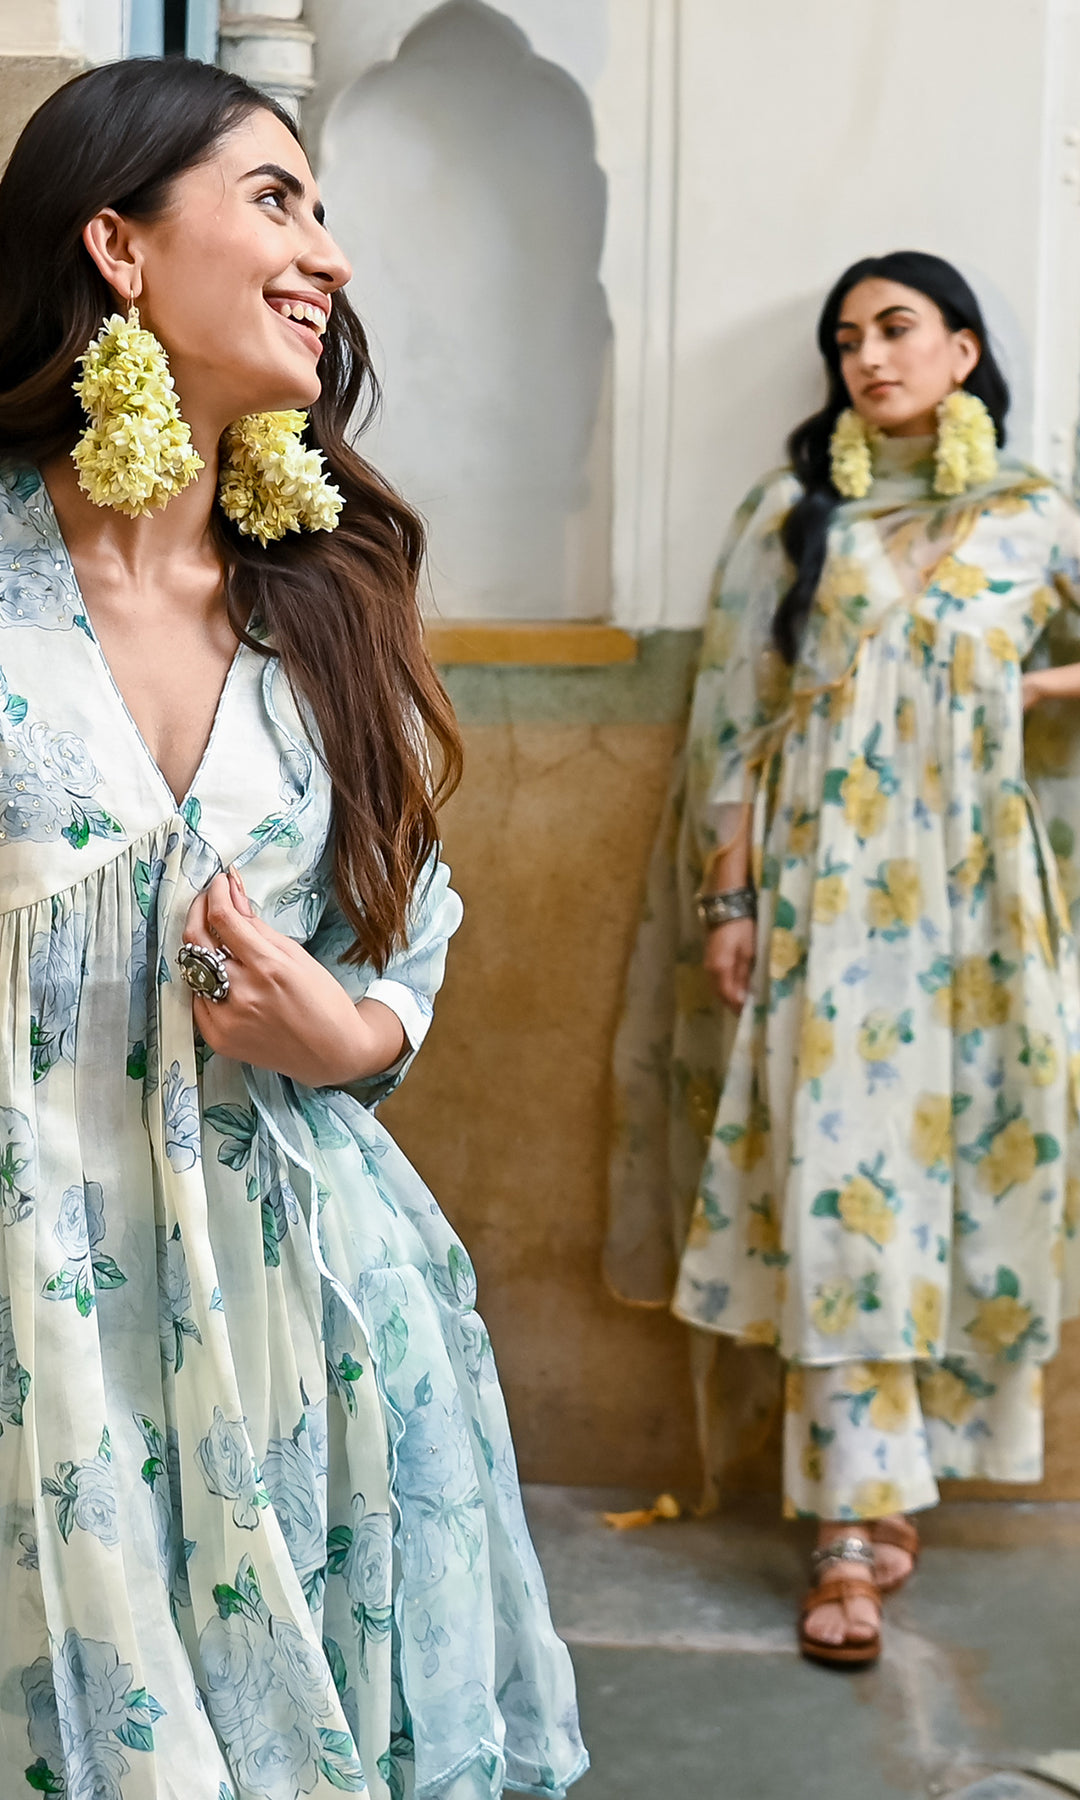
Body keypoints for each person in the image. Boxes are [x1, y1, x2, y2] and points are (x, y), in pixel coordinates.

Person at [0, 57, 587, 1798]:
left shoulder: (330, 594)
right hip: (36, 1322)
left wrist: (359, 1033)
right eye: (276, 199)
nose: (326, 250)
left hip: (300, 1306)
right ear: (116, 244)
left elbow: (411, 918)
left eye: (323, 210)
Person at [607, 250, 1080, 1666]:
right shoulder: (794, 514)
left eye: (895, 329)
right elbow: (737, 724)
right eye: (845, 340)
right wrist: (731, 901)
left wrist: (1024, 685)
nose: (867, 357)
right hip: (826, 896)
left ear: (963, 350)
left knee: (971, 1178)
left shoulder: (1029, 515)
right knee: (839, 1195)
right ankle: (846, 1525)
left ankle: (905, 1480)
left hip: (978, 902)